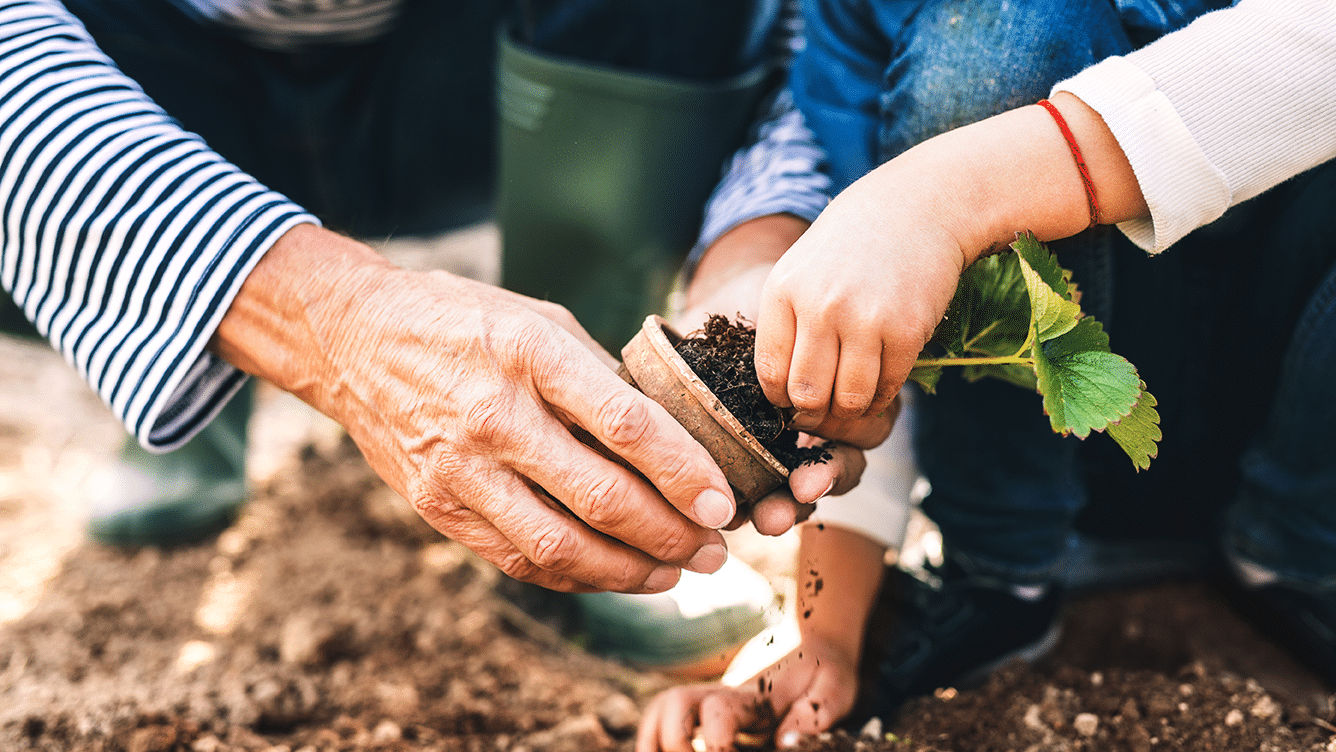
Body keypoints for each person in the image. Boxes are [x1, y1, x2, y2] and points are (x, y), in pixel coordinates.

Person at [636, 0, 1336, 747]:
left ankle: (1299, 546)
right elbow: (874, 284)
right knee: (994, 33)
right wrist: (825, 630)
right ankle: (1002, 571)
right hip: (1041, 479)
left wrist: (950, 193)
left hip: (1298, 392)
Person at [0, 0, 869, 599]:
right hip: (141, 64)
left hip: (475, 79)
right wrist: (325, 317)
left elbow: (815, 25)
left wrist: (757, 242)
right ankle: (189, 372)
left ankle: (593, 450)